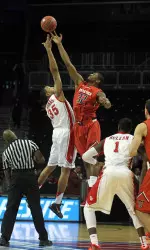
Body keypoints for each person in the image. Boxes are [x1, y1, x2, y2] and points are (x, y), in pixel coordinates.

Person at [51, 33, 111, 202]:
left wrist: (105, 102)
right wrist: (59, 44)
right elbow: (68, 64)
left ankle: (93, 193)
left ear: (98, 81)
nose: (90, 74)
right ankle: (95, 189)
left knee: (90, 160)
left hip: (91, 125)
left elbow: (103, 98)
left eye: (94, 74)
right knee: (85, 162)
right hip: (77, 127)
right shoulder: (80, 83)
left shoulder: (96, 91)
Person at [82, 118, 148, 250]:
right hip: (125, 174)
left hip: (108, 173)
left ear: (118, 127)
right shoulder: (132, 139)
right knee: (133, 211)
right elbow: (145, 155)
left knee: (88, 208)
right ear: (130, 129)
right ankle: (144, 243)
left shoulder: (107, 139)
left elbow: (85, 156)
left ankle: (94, 242)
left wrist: (96, 163)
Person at [38, 35, 77, 218]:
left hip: (56, 133)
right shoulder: (57, 96)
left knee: (50, 167)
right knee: (66, 169)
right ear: (48, 93)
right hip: (67, 133)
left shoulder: (48, 106)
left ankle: (32, 191)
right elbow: (55, 71)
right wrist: (49, 49)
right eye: (49, 87)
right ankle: (57, 203)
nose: (51, 86)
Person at [0, 130, 52, 247]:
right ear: (15, 135)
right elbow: (41, 160)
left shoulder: (6, 152)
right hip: (29, 177)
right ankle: (43, 238)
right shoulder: (29, 143)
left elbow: (7, 172)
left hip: (16, 179)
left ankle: (4, 238)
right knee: (35, 208)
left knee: (11, 209)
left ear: (6, 140)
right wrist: (33, 162)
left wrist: (10, 186)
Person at [129, 99, 150, 241]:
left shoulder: (143, 126)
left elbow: (131, 151)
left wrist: (142, 147)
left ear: (146, 110)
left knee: (140, 210)